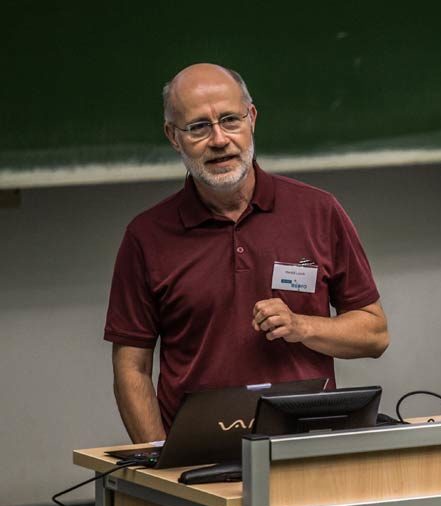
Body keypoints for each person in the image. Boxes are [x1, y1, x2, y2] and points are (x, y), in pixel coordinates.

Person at [104, 63, 389, 443]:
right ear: (173, 137)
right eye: (198, 127)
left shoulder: (317, 211)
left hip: (304, 447)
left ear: (252, 118)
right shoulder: (146, 236)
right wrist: (160, 465)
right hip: (197, 459)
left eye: (229, 120)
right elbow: (131, 368)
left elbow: (374, 334)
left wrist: (304, 327)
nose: (219, 140)